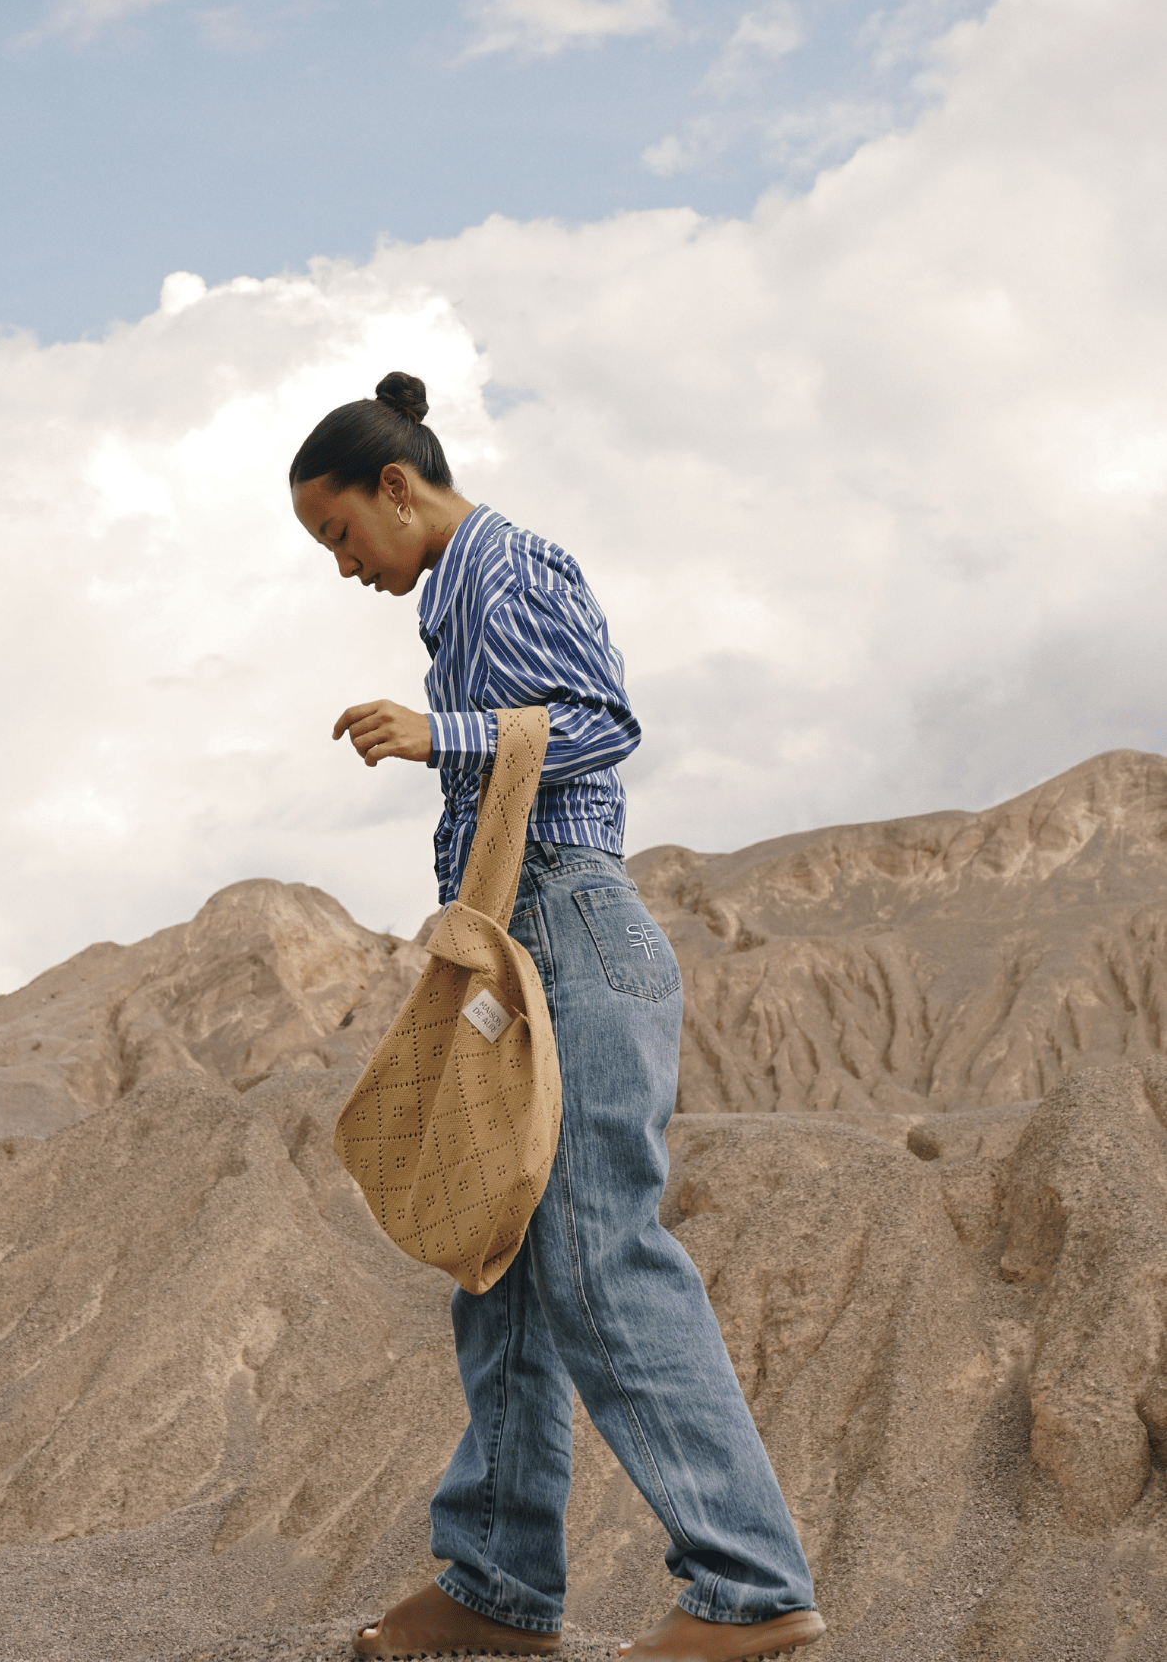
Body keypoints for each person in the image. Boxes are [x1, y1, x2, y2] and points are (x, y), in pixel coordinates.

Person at [290, 373, 824, 1662]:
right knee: (502, 1264)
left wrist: (440, 736)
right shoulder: (455, 600)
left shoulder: (511, 566)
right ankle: (496, 1588)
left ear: (398, 488)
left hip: (571, 932)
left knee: (596, 1252)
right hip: (518, 951)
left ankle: (752, 1587)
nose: (345, 565)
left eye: (342, 535)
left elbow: (600, 726)